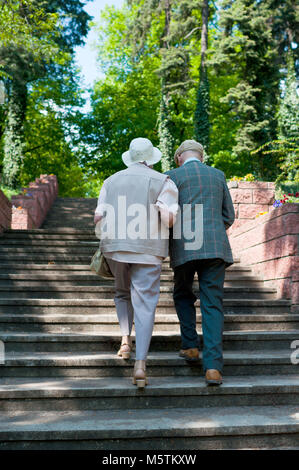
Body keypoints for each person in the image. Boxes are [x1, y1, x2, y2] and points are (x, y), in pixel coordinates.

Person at [94, 137, 178, 388]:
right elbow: (169, 219)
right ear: (151, 158)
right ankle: (140, 365)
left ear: (130, 157)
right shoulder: (164, 181)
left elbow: (98, 216)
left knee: (121, 293)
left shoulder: (111, 181)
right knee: (145, 304)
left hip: (115, 246)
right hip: (148, 249)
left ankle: (124, 341)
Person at [165, 139, 235, 386]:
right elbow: (229, 215)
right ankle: (214, 368)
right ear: (201, 157)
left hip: (184, 245)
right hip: (215, 247)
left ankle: (190, 346)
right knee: (212, 303)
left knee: (183, 294)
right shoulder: (218, 175)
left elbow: (166, 215)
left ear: (179, 158)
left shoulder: (171, 176)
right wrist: (213, 232)